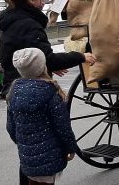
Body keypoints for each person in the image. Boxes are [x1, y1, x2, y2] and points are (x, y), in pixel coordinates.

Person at [0, 0, 95, 184]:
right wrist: (81, 57)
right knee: (43, 144)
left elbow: (28, 58)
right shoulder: (29, 24)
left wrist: (46, 67)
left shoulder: (13, 20)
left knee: (28, 146)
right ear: (32, 0)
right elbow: (45, 56)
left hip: (14, 87)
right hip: (30, 86)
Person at [7, 48, 76, 185]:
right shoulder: (50, 91)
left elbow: (10, 127)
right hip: (51, 155)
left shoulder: (14, 91)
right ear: (43, 67)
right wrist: (70, 148)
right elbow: (63, 126)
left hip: (27, 157)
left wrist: (23, 143)